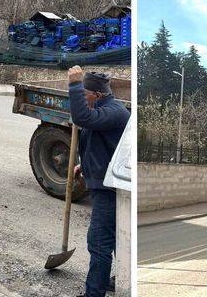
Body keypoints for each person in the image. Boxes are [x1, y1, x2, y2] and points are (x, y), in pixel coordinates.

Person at [67, 66, 129, 297]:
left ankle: (94, 293)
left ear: (97, 94)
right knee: (114, 241)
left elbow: (82, 117)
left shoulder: (115, 111)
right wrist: (85, 166)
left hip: (109, 190)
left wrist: (74, 84)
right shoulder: (103, 108)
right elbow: (103, 144)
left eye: (84, 93)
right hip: (103, 183)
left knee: (99, 243)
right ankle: (121, 278)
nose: (83, 98)